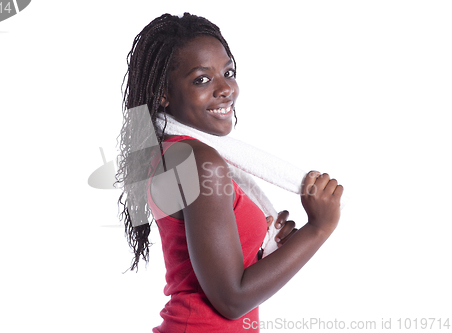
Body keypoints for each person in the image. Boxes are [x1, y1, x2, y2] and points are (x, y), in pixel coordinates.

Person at [116, 13, 344, 333]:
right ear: (163, 93)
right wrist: (319, 227)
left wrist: (264, 251)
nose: (225, 88)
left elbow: (218, 276)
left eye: (228, 72)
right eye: (202, 79)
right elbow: (232, 300)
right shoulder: (200, 161)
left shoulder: (173, 154)